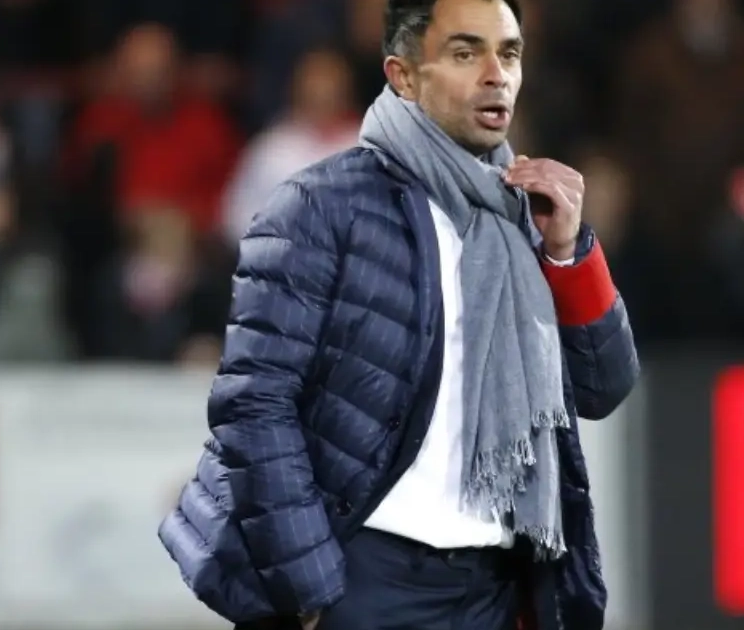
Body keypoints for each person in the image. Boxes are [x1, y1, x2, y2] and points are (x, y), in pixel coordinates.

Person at [158, 0, 640, 629]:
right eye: (465, 53)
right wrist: (308, 587)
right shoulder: (318, 206)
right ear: (403, 75)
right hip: (366, 578)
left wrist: (566, 253)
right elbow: (254, 406)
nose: (496, 74)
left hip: (495, 587)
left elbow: (604, 386)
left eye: (509, 53)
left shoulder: (527, 216)